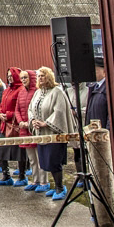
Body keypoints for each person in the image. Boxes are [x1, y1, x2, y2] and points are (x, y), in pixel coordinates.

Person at [29, 66, 75, 200]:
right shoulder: (37, 93)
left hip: (54, 133)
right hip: (41, 133)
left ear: (49, 77)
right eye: (38, 76)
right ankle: (55, 186)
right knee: (45, 161)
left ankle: (60, 187)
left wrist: (46, 123)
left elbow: (59, 111)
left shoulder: (57, 92)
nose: (40, 78)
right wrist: (33, 121)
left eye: (43, 75)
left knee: (54, 161)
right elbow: (30, 108)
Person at [0, 68, 25, 186]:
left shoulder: (21, 90)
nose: (10, 78)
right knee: (1, 150)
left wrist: (8, 115)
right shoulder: (6, 90)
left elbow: (20, 107)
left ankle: (22, 176)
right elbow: (1, 105)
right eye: (8, 76)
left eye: (11, 75)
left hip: (15, 126)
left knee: (19, 152)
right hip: (4, 125)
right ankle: (6, 175)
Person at [85, 54, 109, 130]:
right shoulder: (93, 87)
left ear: (104, 71)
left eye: (95, 70)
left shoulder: (106, 89)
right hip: (94, 132)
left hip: (104, 133)